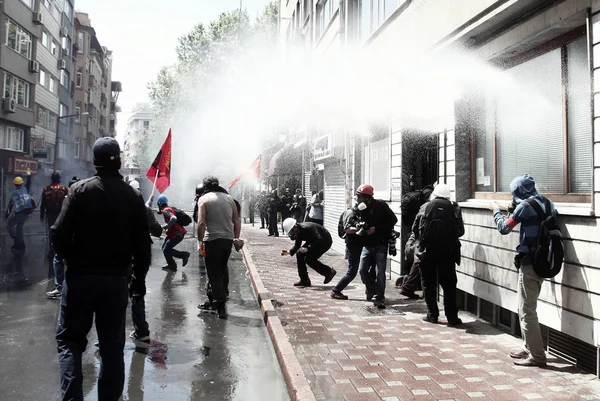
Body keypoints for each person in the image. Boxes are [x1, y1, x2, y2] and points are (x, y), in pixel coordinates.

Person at [52, 137, 152, 401]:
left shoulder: (79, 191)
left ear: (95, 162)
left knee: (71, 343)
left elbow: (58, 234)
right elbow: (143, 246)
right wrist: (139, 282)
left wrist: (69, 260)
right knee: (111, 348)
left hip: (80, 280)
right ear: (119, 160)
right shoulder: (132, 196)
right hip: (115, 283)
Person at [489, 174, 555, 367]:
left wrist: (496, 211)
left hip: (529, 263)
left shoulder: (524, 207)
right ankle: (529, 347)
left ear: (518, 191)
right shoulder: (548, 203)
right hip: (544, 261)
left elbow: (504, 228)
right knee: (525, 307)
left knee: (527, 310)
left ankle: (537, 356)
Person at [413, 183, 464, 325]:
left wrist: (420, 243)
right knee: (449, 285)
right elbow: (460, 231)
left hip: (427, 252)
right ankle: (452, 318)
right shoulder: (455, 208)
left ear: (433, 194)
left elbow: (415, 228)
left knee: (428, 284)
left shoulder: (425, 207)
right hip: (448, 252)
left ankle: (432, 315)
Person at [196, 176, 243, 319]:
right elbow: (236, 220)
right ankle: (218, 299)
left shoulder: (204, 200)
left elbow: (201, 223)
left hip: (212, 240)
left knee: (213, 273)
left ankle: (220, 304)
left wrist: (199, 241)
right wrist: (235, 237)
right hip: (227, 241)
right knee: (221, 270)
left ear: (205, 187)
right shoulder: (229, 198)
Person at [356, 184, 398, 309]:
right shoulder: (360, 208)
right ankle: (371, 288)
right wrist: (359, 226)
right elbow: (357, 221)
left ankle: (380, 297)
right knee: (363, 270)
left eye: (359, 196)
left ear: (367, 197)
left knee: (380, 273)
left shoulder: (381, 205)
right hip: (367, 245)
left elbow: (393, 220)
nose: (357, 199)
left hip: (380, 244)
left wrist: (376, 229)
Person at [283, 218, 337, 288]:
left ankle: (329, 272)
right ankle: (304, 280)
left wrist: (308, 248)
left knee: (309, 259)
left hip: (325, 241)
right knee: (299, 253)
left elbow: (320, 239)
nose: (292, 235)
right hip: (314, 240)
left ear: (295, 227)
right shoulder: (298, 231)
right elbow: (297, 245)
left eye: (291, 232)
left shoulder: (308, 228)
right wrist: (289, 252)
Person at [42, 174, 71, 300]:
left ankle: (52, 249)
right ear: (59, 179)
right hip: (61, 214)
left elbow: (43, 202)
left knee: (51, 232)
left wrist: (41, 215)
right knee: (60, 231)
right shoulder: (64, 189)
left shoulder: (46, 189)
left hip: (50, 214)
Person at [330, 202, 366, 299]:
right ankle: (336, 290)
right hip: (353, 245)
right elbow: (347, 229)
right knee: (352, 271)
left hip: (358, 244)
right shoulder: (350, 213)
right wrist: (359, 228)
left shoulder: (358, 213)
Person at [156, 195, 190, 272]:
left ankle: (184, 255)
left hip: (177, 234)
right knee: (164, 248)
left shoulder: (166, 211)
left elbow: (173, 218)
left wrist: (167, 225)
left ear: (159, 203)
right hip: (174, 233)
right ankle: (171, 265)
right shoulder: (168, 209)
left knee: (166, 249)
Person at [5, 171, 33, 251]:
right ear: (21, 183)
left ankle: (16, 240)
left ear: (15, 184)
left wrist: (6, 216)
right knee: (19, 228)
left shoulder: (13, 194)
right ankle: (21, 244)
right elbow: (29, 182)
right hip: (26, 212)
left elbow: (10, 206)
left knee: (9, 226)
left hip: (19, 213)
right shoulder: (25, 189)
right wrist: (29, 174)